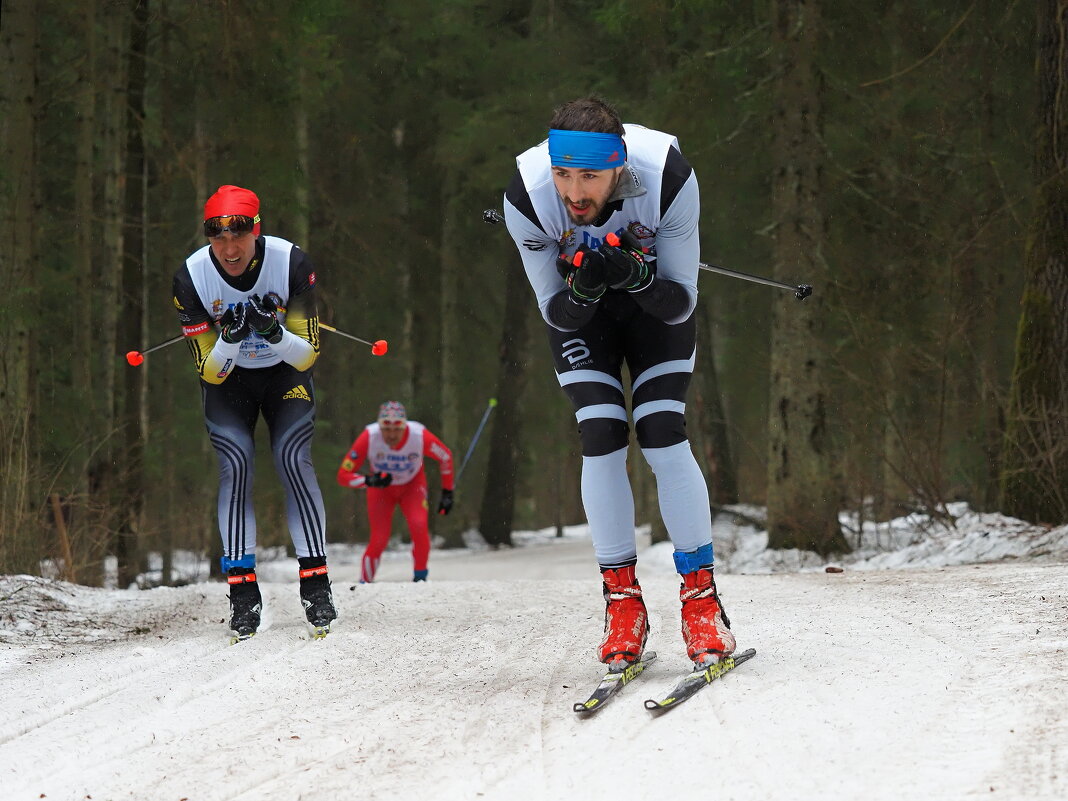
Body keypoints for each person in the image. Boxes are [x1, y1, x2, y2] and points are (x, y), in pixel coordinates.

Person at [502, 97, 737, 669]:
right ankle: (623, 603)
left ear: (619, 166)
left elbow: (680, 304)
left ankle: (701, 601)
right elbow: (556, 313)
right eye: (563, 174)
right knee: (601, 433)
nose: (574, 193)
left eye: (590, 176)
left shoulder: (668, 179)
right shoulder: (527, 199)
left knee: (660, 428)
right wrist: (583, 291)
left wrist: (635, 276)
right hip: (586, 317)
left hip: (655, 308)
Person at [172, 184, 336, 640]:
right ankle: (243, 595)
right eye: (217, 237)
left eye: (238, 236)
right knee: (236, 464)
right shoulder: (191, 277)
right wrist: (228, 337)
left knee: (292, 459)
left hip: (285, 374)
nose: (228, 248)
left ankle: (316, 584)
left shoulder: (291, 263)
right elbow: (210, 373)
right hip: (230, 383)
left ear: (256, 230)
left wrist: (271, 331)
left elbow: (307, 356)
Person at [337, 401, 454, 583]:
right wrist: (369, 480)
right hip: (381, 490)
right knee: (379, 538)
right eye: (386, 429)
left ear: (405, 425)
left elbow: (445, 456)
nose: (391, 435)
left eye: (397, 429)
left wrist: (448, 492)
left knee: (419, 525)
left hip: (412, 486)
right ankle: (364, 582)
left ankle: (420, 578)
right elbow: (343, 475)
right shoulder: (369, 436)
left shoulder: (419, 435)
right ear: (379, 426)